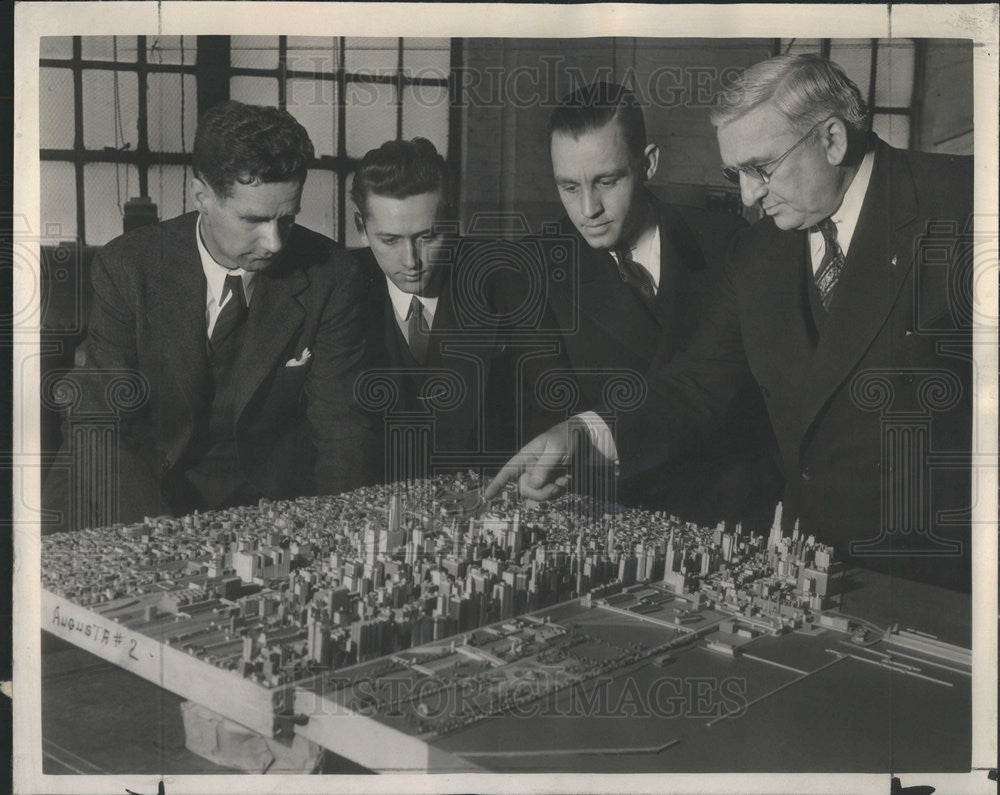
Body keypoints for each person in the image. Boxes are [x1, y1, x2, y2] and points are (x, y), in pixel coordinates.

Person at [487, 56, 973, 590]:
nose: (748, 196)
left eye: (761, 168)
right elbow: (699, 382)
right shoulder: (760, 248)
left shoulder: (969, 206)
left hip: (946, 577)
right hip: (817, 570)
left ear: (832, 139)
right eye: (735, 174)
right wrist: (585, 431)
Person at [43, 100, 374, 533]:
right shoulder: (129, 266)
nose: (274, 242)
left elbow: (341, 431)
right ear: (202, 196)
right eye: (253, 219)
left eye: (287, 218)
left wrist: (339, 532)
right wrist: (153, 532)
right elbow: (97, 421)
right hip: (130, 483)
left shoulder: (331, 273)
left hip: (258, 495)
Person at [538, 81, 781, 525]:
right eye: (569, 187)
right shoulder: (540, 267)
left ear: (648, 163)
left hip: (732, 518)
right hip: (612, 523)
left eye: (606, 181)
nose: (588, 208)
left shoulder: (729, 242)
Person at [352, 137, 564, 483]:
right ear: (362, 229)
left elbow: (547, 406)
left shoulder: (510, 279)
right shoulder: (339, 286)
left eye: (427, 236)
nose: (411, 262)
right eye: (389, 240)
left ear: (452, 220)